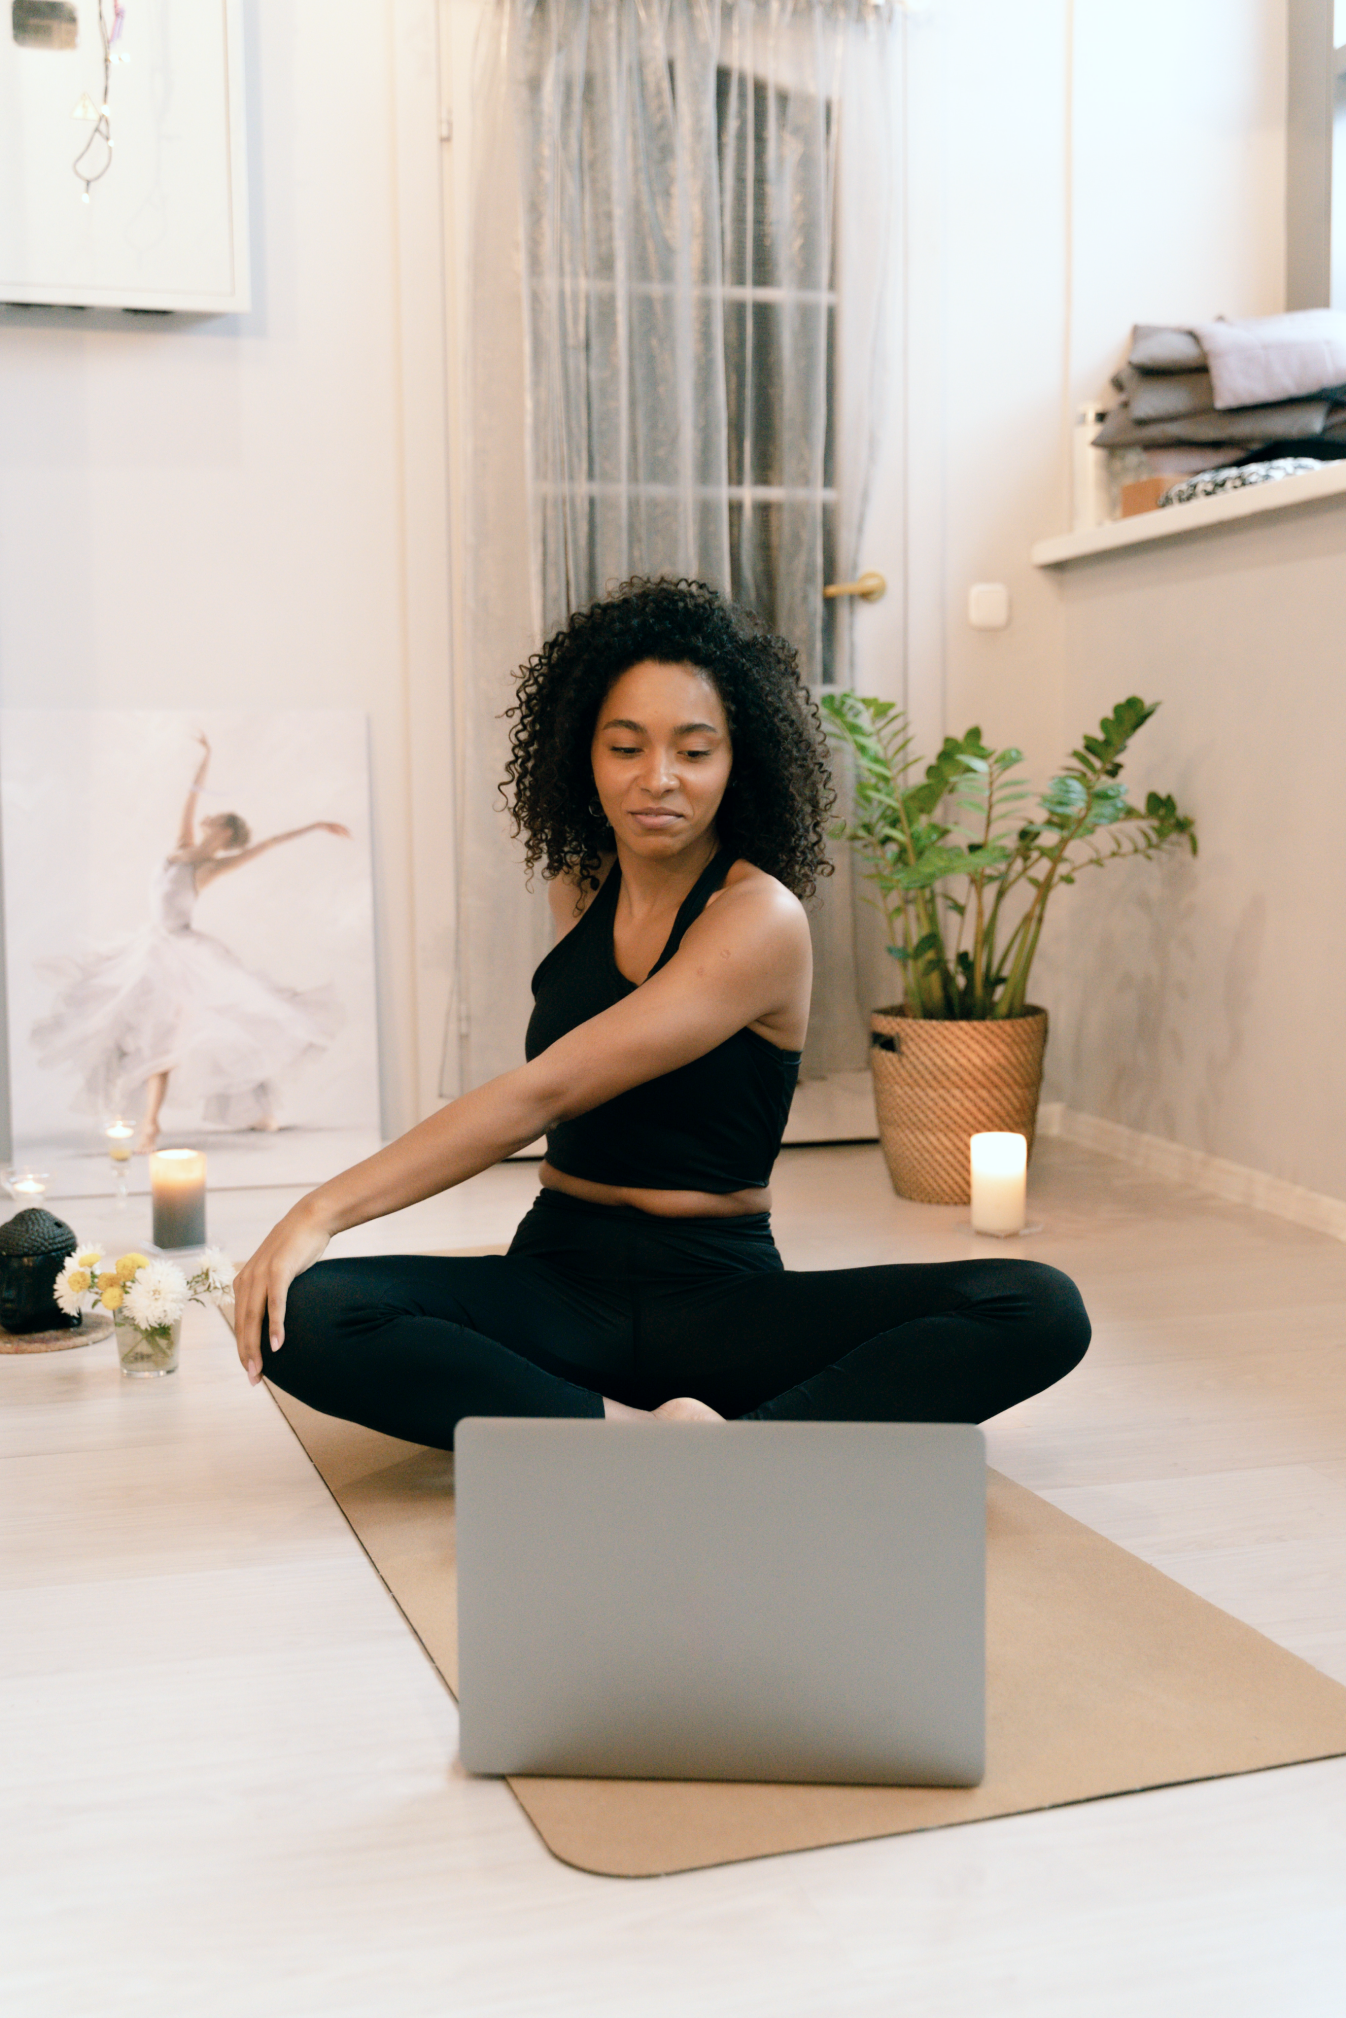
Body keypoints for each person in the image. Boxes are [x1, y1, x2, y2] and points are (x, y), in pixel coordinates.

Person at [233, 578, 1089, 1436]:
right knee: (307, 1311)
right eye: (626, 747)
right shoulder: (578, 886)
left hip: (720, 1300)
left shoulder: (759, 919)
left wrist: (319, 1210)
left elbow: (545, 1092)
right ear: (584, 755)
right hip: (555, 1279)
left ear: (735, 760)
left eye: (694, 750)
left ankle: (704, 1446)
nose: (659, 780)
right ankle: (646, 1439)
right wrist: (310, 1242)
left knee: (1035, 1306)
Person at [33, 733, 351, 1151]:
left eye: (218, 821)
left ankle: (162, 1125)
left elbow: (267, 845)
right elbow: (190, 797)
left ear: (225, 834)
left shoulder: (210, 868)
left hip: (183, 956)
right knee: (141, 1032)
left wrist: (314, 826)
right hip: (151, 948)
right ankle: (149, 1121)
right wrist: (207, 757)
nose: (209, 820)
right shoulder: (181, 848)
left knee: (192, 1031)